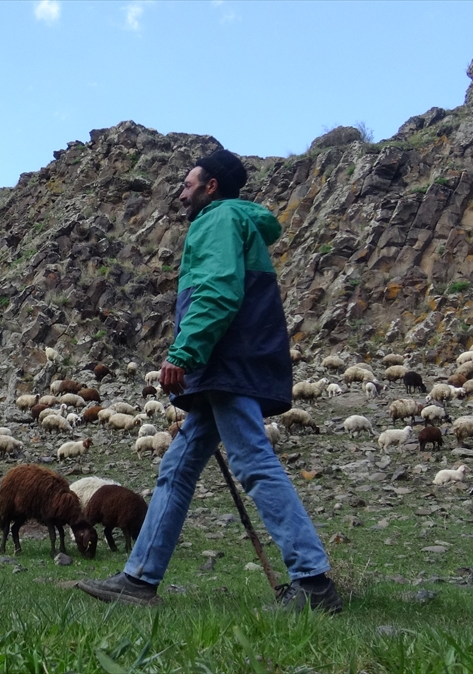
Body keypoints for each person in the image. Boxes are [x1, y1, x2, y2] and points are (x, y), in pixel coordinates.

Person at [77, 149, 341, 613]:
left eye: (187, 183)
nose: (181, 193)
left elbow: (218, 290)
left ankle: (313, 583)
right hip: (226, 364)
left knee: (254, 464)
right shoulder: (237, 223)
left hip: (228, 364)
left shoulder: (218, 220)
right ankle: (139, 579)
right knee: (175, 471)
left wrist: (184, 353)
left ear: (211, 186)